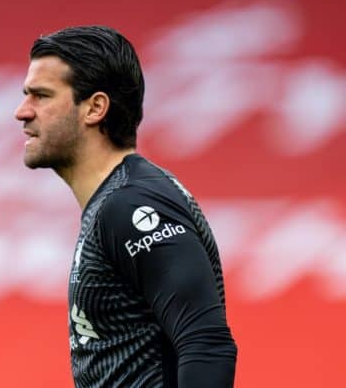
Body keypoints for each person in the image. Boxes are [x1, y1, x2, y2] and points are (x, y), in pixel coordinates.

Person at [14, 26, 237, 387]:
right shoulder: (114, 201)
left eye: (41, 96)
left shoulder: (133, 205)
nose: (22, 112)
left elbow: (206, 343)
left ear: (95, 108)